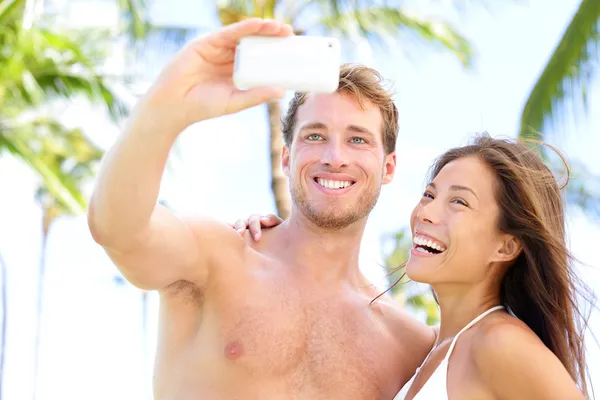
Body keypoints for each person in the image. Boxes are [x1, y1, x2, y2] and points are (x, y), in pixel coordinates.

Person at [87, 18, 435, 400]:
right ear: (286, 157)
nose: (335, 157)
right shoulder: (218, 258)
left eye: (357, 139)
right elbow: (120, 230)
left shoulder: (410, 346)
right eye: (315, 136)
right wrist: (165, 109)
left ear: (388, 167)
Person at [236, 134, 592, 399]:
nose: (427, 213)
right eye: (430, 195)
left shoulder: (499, 343)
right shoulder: (431, 347)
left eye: (459, 202)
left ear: (507, 245)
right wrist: (276, 239)